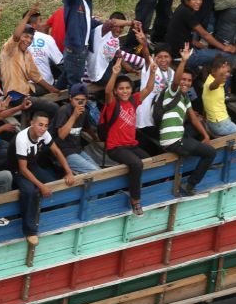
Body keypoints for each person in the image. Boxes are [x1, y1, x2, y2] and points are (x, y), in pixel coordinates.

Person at [157, 45, 217, 195]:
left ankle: (200, 169)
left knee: (200, 143)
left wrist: (206, 135)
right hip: (174, 140)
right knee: (210, 153)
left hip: (178, 139)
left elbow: (194, 119)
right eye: (183, 79)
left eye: (189, 80)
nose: (186, 82)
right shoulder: (172, 91)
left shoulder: (185, 98)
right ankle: (189, 185)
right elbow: (176, 81)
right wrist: (184, 61)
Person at [101, 58, 157, 216]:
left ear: (131, 90)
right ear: (116, 91)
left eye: (127, 88)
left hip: (131, 145)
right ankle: (135, 200)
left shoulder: (133, 100)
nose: (124, 91)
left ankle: (136, 189)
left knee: (149, 161)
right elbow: (107, 92)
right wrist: (114, 73)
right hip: (115, 147)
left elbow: (149, 88)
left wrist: (153, 72)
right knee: (137, 164)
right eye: (121, 89)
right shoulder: (113, 104)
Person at [13, 111, 75, 244]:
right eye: (40, 125)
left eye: (46, 125)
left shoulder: (44, 134)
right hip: (17, 169)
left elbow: (56, 151)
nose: (43, 128)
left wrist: (69, 172)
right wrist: (41, 186)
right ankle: (30, 231)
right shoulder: (22, 138)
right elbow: (23, 169)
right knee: (30, 192)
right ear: (32, 123)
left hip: (32, 165)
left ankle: (50, 218)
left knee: (54, 185)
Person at [0, 6, 61, 116]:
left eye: (31, 38)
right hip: (15, 96)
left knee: (50, 89)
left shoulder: (27, 53)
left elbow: (36, 76)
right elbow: (16, 36)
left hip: (26, 89)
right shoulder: (10, 49)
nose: (28, 40)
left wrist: (53, 89)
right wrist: (28, 15)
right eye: (25, 37)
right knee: (54, 107)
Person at [166, 0, 236, 69]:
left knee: (206, 49)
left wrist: (198, 44)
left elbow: (181, 34)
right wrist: (224, 48)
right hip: (183, 57)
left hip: (181, 51)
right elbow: (205, 35)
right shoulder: (186, 12)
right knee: (227, 55)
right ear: (186, 0)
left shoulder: (182, 8)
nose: (198, 2)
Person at [61, 0, 102, 88]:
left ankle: (55, 93)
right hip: (76, 51)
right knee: (75, 86)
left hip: (80, 50)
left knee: (65, 80)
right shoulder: (73, 0)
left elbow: (86, 22)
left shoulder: (86, 3)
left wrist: (100, 23)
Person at [49, 83, 101, 174]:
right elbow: (61, 135)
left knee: (99, 170)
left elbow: (87, 128)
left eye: (82, 100)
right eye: (76, 99)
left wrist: (96, 138)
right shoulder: (64, 110)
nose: (79, 102)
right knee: (94, 171)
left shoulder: (84, 112)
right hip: (63, 151)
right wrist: (74, 116)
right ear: (70, 98)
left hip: (77, 149)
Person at [86, 13, 145, 85]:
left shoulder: (116, 40)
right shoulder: (101, 31)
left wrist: (131, 69)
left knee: (126, 79)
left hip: (105, 70)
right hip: (97, 75)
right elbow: (113, 22)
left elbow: (119, 57)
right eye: (118, 27)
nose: (120, 30)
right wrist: (132, 22)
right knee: (123, 82)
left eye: (122, 27)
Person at [202, 56, 236, 137]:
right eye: (223, 72)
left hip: (219, 121)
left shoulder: (218, 82)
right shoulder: (210, 82)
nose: (227, 74)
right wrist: (222, 74)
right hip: (219, 123)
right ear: (213, 71)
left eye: (228, 71)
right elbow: (213, 86)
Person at [27, 10, 64, 86]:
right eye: (41, 21)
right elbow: (60, 62)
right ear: (33, 25)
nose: (44, 24)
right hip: (45, 84)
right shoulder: (46, 38)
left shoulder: (15, 40)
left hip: (23, 85)